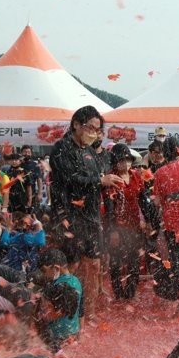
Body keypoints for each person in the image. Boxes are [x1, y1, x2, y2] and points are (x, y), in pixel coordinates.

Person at [49, 106, 125, 321]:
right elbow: (68, 179)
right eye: (90, 128)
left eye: (97, 129)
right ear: (76, 124)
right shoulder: (61, 148)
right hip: (68, 217)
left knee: (94, 265)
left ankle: (88, 313)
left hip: (92, 218)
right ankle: (66, 315)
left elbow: (95, 181)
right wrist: (99, 181)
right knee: (71, 266)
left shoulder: (91, 152)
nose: (93, 133)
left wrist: (109, 183)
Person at [103, 143, 148, 300]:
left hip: (134, 225)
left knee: (134, 260)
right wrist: (113, 231)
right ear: (115, 161)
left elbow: (143, 199)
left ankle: (130, 292)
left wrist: (148, 220)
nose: (126, 163)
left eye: (128, 159)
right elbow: (109, 206)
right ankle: (118, 292)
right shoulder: (111, 177)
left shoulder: (136, 175)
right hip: (116, 226)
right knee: (115, 261)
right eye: (122, 160)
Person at [36, 249, 82, 350]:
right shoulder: (76, 281)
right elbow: (81, 310)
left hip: (57, 335)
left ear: (56, 268)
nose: (44, 275)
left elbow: (47, 314)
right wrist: (79, 334)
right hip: (73, 333)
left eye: (44, 271)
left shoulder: (56, 287)